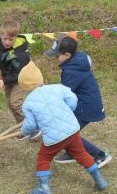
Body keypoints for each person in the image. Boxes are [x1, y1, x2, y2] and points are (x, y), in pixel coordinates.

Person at [18, 61, 108, 194]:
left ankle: (44, 188)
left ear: (23, 87)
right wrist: (67, 111)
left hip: (54, 137)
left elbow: (31, 125)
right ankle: (100, 181)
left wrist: (23, 131)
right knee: (82, 154)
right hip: (72, 130)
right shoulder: (58, 88)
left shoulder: (28, 103)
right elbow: (72, 99)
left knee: (43, 157)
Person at [45, 36, 112, 167]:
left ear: (67, 54)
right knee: (66, 132)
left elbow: (64, 92)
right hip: (82, 104)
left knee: (65, 132)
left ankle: (100, 155)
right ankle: (72, 152)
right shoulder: (74, 62)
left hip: (85, 107)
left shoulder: (72, 70)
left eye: (57, 56)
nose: (55, 59)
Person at [0, 19, 32, 126]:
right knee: (10, 103)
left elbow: (17, 73)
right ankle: (23, 127)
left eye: (11, 39)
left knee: (15, 103)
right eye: (5, 39)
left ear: (16, 37)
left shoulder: (20, 54)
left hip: (21, 76)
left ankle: (32, 126)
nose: (7, 42)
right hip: (9, 75)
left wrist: (4, 80)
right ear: (1, 35)